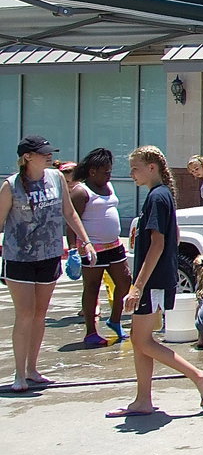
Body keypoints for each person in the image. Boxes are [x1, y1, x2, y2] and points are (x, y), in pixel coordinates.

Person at [107, 145, 203, 417]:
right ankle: (142, 400)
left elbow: (159, 243)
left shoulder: (157, 197)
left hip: (152, 282)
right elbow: (173, 237)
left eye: (135, 168)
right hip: (158, 278)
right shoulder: (162, 196)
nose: (131, 174)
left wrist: (137, 285)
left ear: (151, 167)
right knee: (140, 338)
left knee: (142, 341)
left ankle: (200, 377)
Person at [1, 135, 97, 392]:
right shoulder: (10, 186)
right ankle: (19, 374)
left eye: (49, 152)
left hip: (49, 254)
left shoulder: (55, 178)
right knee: (25, 314)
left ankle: (33, 369)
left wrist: (85, 242)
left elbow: (69, 212)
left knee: (40, 314)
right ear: (27, 157)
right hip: (19, 257)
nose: (49, 156)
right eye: (43, 153)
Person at [68, 148, 133, 345]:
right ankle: (90, 332)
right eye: (105, 171)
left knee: (125, 281)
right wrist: (73, 250)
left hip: (114, 245)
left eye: (109, 171)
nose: (109, 175)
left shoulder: (109, 186)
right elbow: (71, 221)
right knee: (92, 288)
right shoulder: (81, 191)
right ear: (92, 171)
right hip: (92, 248)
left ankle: (114, 320)